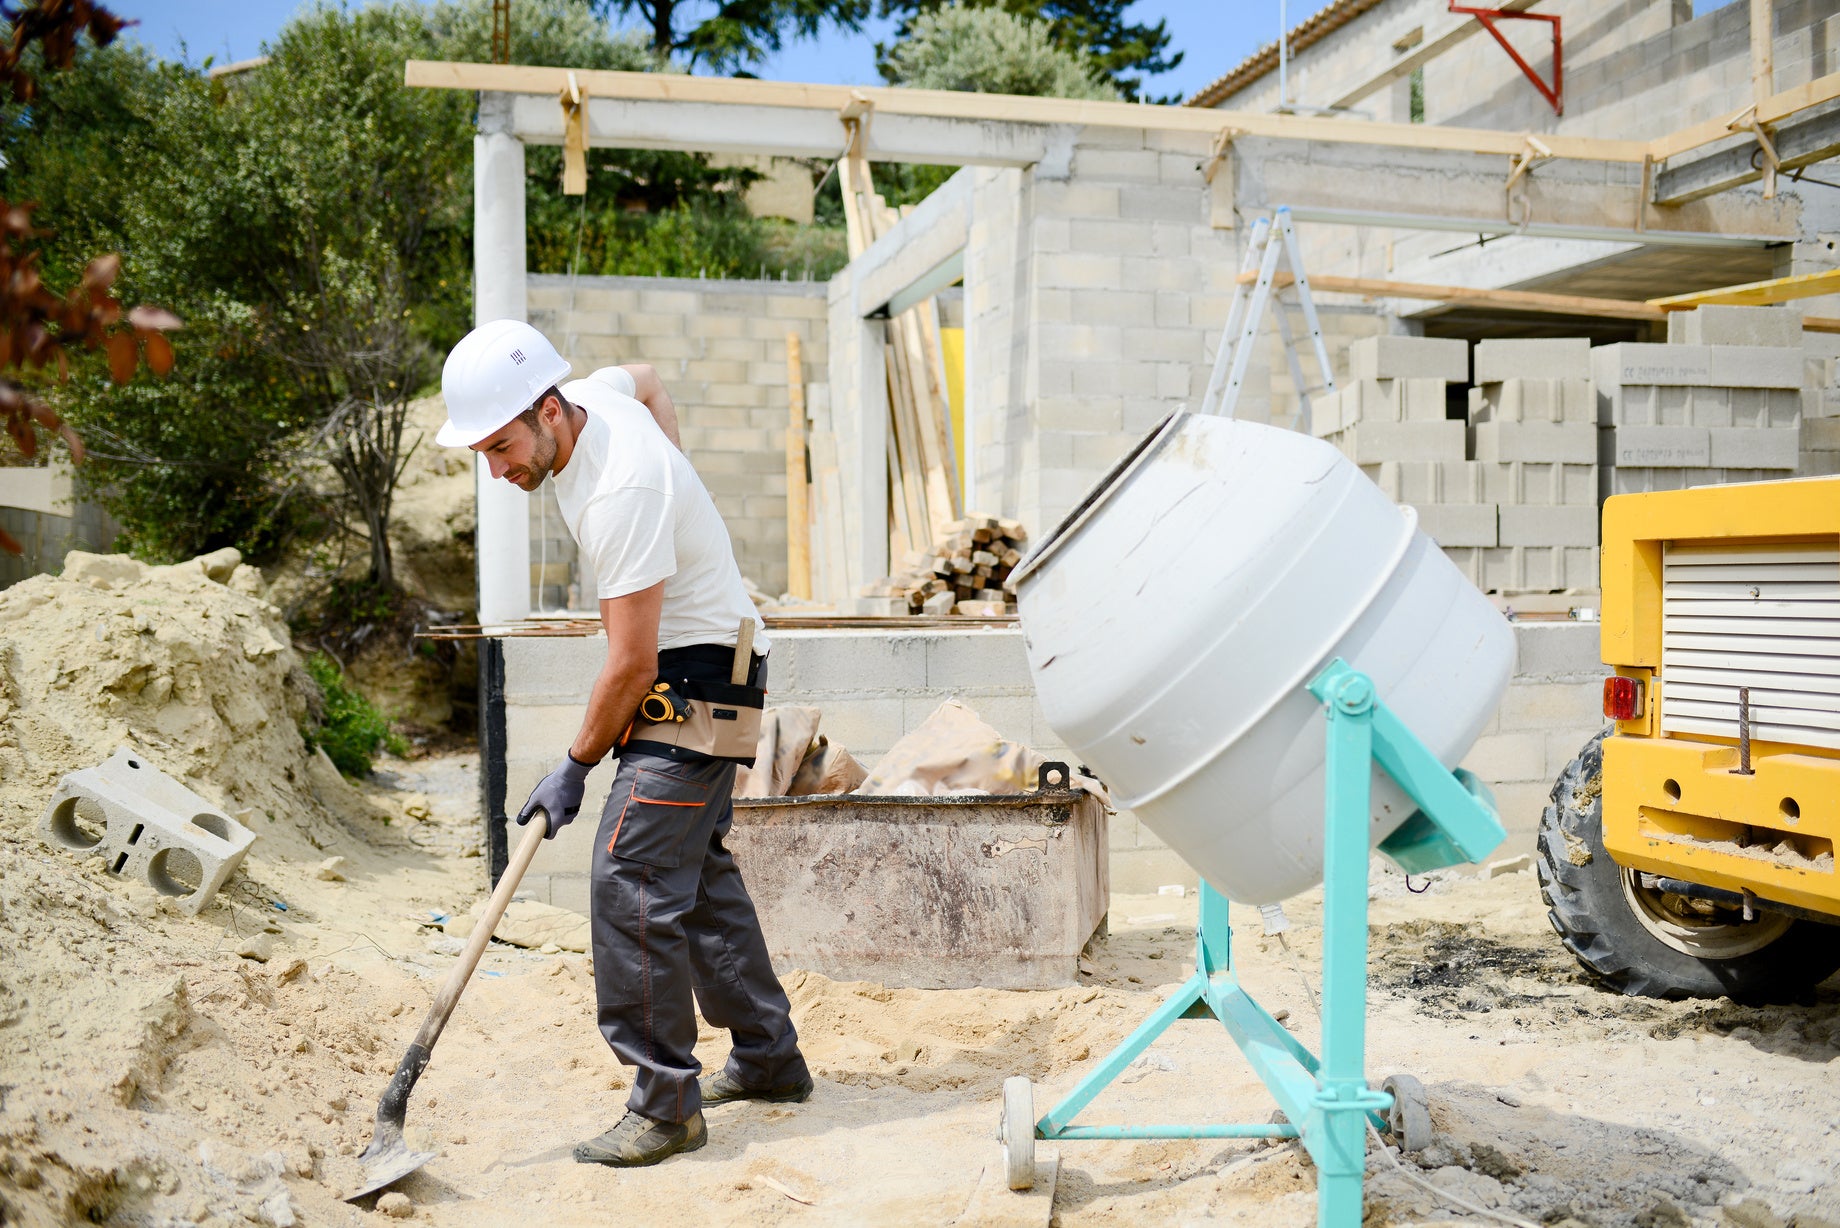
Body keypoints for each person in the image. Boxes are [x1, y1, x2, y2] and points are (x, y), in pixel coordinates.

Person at [438, 319, 812, 1167]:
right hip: (705, 666)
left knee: (630, 876)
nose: (499, 471)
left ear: (548, 411)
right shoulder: (599, 400)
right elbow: (646, 377)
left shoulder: (623, 495)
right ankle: (768, 1059)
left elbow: (629, 662)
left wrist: (571, 766)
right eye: (485, 455)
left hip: (695, 683)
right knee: (696, 876)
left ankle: (665, 1108)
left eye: (502, 447)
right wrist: (688, 484)